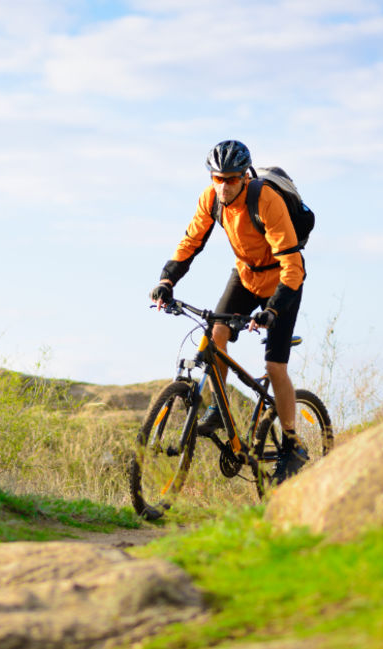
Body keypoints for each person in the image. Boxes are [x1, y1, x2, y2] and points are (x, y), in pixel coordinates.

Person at [149, 139, 308, 480]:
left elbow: (292, 263)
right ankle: (220, 411)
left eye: (231, 179)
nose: (223, 185)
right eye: (217, 178)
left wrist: (274, 311)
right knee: (215, 334)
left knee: (274, 365)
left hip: (283, 279)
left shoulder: (266, 200)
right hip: (246, 275)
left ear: (244, 177)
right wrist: (167, 281)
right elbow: (191, 242)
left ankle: (293, 443)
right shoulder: (211, 199)